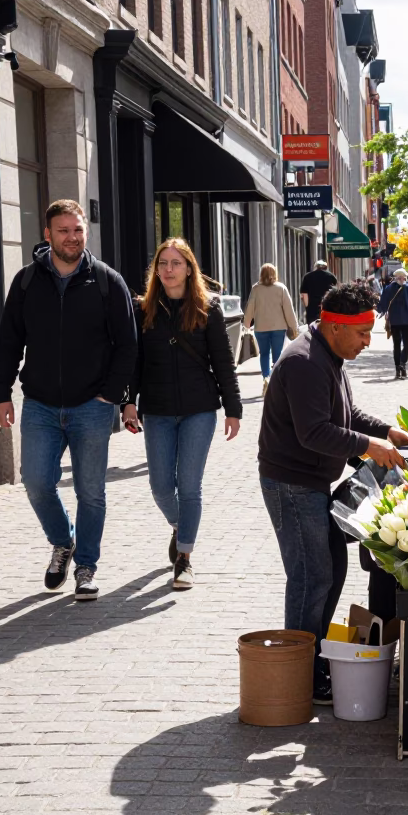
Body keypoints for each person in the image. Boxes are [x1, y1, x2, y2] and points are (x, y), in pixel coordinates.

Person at [258, 282, 408, 704]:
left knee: (333, 569)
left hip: (309, 481)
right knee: (312, 579)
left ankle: (313, 657)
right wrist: (369, 446)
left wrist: (385, 431)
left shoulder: (327, 353)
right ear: (334, 326)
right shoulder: (305, 363)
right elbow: (315, 432)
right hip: (291, 483)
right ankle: (299, 673)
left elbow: (345, 415)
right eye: (362, 333)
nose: (367, 342)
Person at [0, 199, 137, 601]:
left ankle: (86, 566)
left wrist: (111, 393)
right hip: (38, 403)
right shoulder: (25, 282)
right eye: (63, 231)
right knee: (37, 482)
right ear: (47, 234)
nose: (72, 237)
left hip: (92, 405)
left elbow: (128, 345)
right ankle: (62, 542)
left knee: (91, 491)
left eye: (77, 230)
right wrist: (0, 394)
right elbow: (8, 343)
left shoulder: (108, 281)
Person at [122, 238, 242, 590]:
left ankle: (185, 558)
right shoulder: (143, 310)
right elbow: (135, 362)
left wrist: (233, 410)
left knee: (189, 486)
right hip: (157, 410)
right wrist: (128, 401)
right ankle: (180, 525)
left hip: (198, 410)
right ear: (156, 270)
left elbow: (224, 363)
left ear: (189, 268)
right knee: (161, 487)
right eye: (163, 263)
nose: (169, 269)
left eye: (176, 263)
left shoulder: (208, 309)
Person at [244, 263, 299, 395]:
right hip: (278, 327)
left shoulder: (256, 289)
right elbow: (288, 309)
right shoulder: (281, 288)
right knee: (277, 355)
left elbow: (250, 307)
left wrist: (246, 324)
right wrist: (294, 326)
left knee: (264, 354)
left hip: (261, 327)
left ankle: (265, 378)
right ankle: (275, 381)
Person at [377, 268, 408, 379]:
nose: (402, 279)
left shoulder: (407, 288)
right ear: (396, 278)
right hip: (399, 321)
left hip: (401, 321)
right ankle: (400, 366)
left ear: (405, 278)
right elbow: (384, 301)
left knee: (404, 345)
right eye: (400, 278)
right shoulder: (397, 288)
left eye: (403, 278)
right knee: (401, 345)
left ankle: (401, 365)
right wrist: (380, 311)